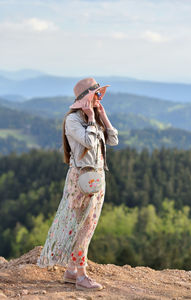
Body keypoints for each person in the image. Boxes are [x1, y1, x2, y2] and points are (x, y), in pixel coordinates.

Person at [36, 77, 118, 291]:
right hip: (81, 181)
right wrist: (91, 118)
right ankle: (81, 275)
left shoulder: (93, 118)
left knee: (88, 226)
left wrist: (103, 117)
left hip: (95, 180)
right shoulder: (73, 120)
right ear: (85, 98)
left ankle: (72, 271)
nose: (99, 98)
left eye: (100, 94)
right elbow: (89, 143)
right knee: (81, 227)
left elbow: (113, 140)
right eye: (96, 94)